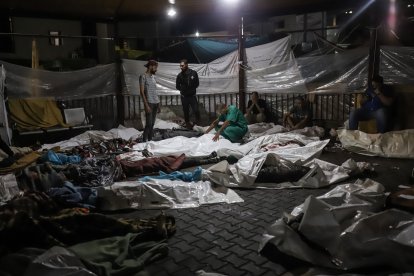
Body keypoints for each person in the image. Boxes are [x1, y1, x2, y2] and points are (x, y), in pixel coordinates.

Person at [176, 59, 200, 129]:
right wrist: (183, 90)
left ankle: (198, 124)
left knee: (196, 110)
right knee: (186, 111)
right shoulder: (179, 75)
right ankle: (188, 125)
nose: (181, 67)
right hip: (184, 97)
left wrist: (191, 89)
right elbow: (177, 86)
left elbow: (197, 83)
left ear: (186, 65)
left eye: (182, 66)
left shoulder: (193, 73)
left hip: (192, 96)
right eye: (180, 66)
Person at [139, 60, 160, 142]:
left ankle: (150, 140)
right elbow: (141, 92)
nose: (156, 69)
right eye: (155, 67)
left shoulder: (153, 77)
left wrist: (158, 104)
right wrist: (146, 105)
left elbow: (155, 91)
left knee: (152, 124)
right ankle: (144, 140)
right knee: (149, 123)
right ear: (150, 66)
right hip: (149, 103)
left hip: (155, 102)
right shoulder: (143, 76)